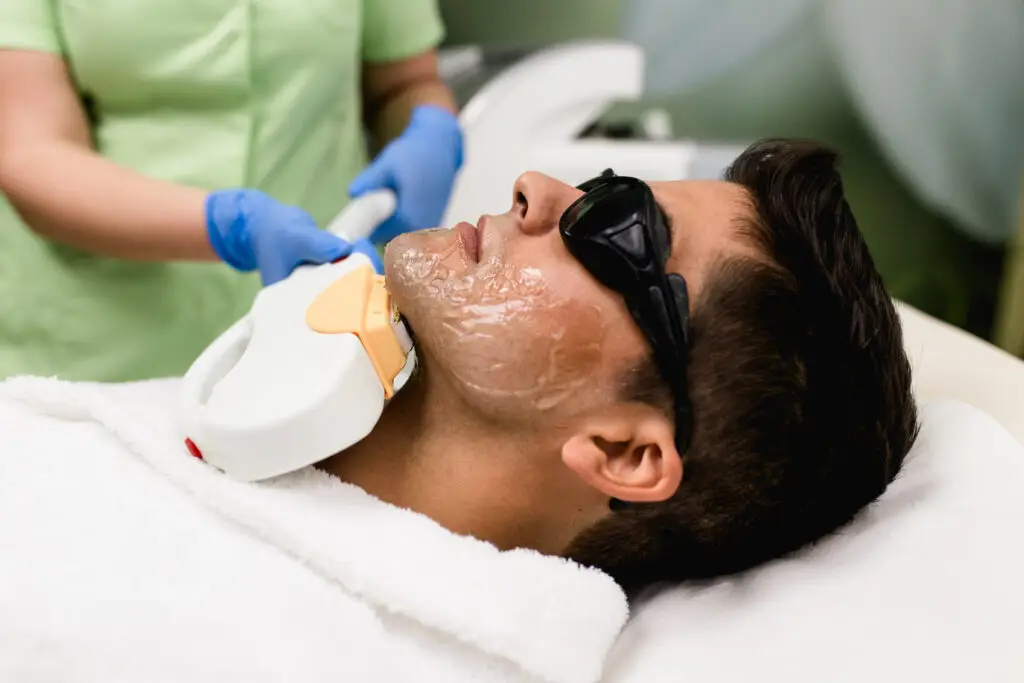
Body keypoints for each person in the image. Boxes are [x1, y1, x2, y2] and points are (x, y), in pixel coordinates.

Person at [0, 139, 920, 679]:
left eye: (618, 228)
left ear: (626, 451)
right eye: (595, 189)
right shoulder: (221, 437)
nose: (535, 188)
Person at [0, 0, 462, 382]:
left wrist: (429, 133)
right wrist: (230, 225)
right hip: (104, 339)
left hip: (325, 322)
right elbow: (33, 154)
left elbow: (406, 81)